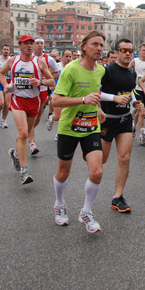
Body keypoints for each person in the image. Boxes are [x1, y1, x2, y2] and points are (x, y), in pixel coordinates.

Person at [51, 31, 108, 233]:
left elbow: (95, 95)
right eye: (95, 44)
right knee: (64, 171)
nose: (99, 48)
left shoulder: (101, 71)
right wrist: (82, 101)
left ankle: (86, 211)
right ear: (84, 46)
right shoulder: (70, 70)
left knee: (97, 171)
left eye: (101, 45)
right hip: (69, 126)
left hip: (91, 126)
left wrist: (98, 108)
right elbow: (56, 100)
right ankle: (59, 203)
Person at [0, 35, 55, 184]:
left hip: (34, 101)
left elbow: (52, 82)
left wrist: (40, 81)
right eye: (26, 44)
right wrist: (5, 85)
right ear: (20, 45)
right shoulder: (13, 60)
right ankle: (24, 171)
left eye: (31, 43)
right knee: (23, 133)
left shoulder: (39, 62)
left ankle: (16, 153)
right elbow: (0, 74)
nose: (30, 46)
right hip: (18, 101)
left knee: (26, 132)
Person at [99, 39, 143, 213]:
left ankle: (118, 197)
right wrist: (113, 98)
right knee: (101, 160)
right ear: (116, 52)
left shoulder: (132, 74)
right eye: (123, 50)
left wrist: (135, 103)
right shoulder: (107, 71)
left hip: (124, 119)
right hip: (107, 119)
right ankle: (89, 148)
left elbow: (129, 92)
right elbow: (96, 93)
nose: (127, 53)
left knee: (124, 158)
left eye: (130, 50)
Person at [30, 37, 60, 155]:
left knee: (37, 116)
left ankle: (29, 131)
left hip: (42, 89)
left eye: (41, 43)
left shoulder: (48, 59)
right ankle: (32, 142)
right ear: (33, 45)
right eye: (37, 43)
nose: (39, 45)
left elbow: (56, 72)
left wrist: (47, 79)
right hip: (30, 90)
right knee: (31, 116)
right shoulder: (29, 58)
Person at [131, 43, 145, 146]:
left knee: (139, 112)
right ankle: (142, 134)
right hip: (138, 89)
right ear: (139, 51)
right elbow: (127, 71)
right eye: (143, 50)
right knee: (142, 112)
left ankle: (133, 125)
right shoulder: (135, 61)